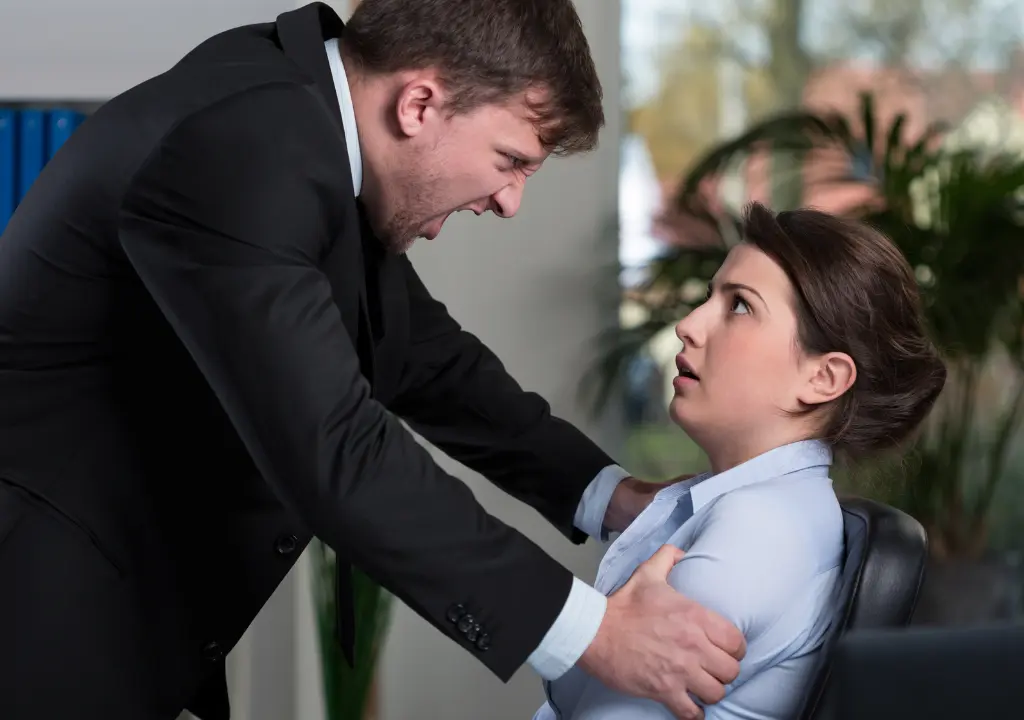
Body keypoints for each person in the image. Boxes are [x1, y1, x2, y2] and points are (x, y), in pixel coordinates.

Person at [0, 2, 745, 719]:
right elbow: (334, 447)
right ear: (419, 103)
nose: (509, 200)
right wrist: (595, 631)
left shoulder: (301, 120)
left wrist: (609, 496)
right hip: (35, 612)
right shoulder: (250, 143)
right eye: (511, 159)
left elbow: (424, 357)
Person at [533, 203, 947, 719]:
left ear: (823, 378)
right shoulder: (774, 509)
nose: (689, 325)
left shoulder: (756, 529)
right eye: (712, 296)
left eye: (741, 307)